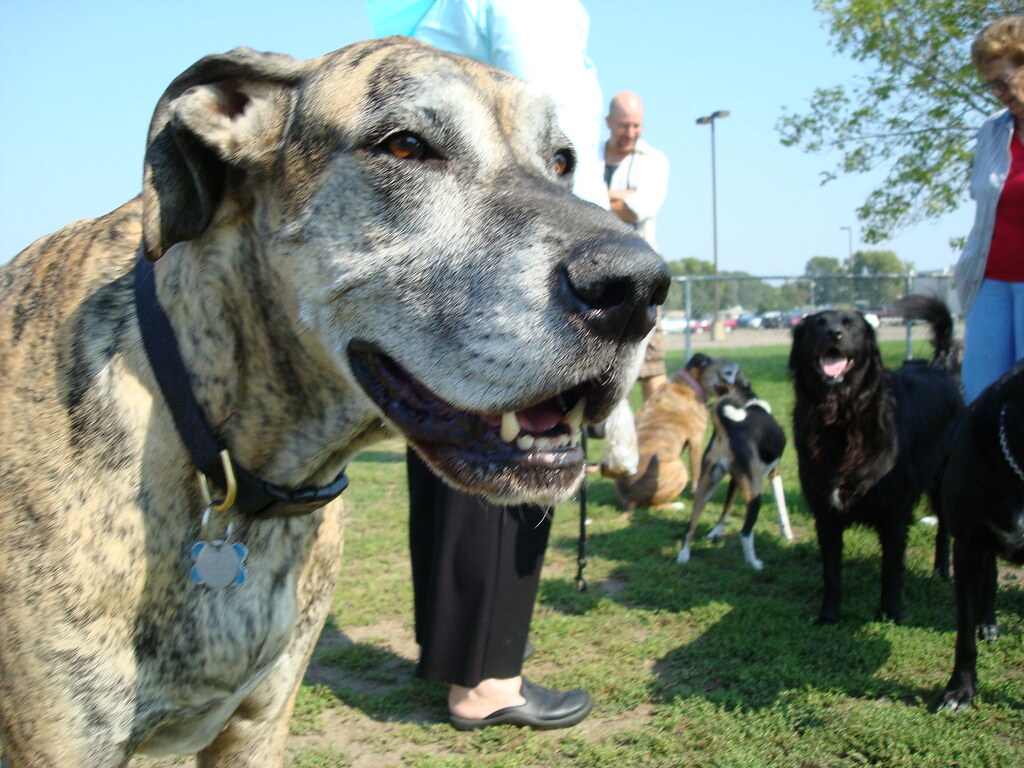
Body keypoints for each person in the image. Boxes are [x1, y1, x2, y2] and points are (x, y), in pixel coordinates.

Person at [365, 0, 603, 730]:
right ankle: (489, 681)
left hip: (461, 258)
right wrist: (588, 240)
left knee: (452, 457)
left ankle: (451, 655)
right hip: (528, 260)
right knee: (517, 456)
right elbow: (537, 119)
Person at [954, 15, 1024, 403]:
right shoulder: (991, 132)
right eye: (990, 84)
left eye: (1005, 81)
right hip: (989, 284)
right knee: (981, 401)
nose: (997, 92)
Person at [603, 91, 670, 400]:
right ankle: (619, 444)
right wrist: (623, 194)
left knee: (651, 366)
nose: (630, 133)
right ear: (608, 123)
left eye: (636, 126)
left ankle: (654, 442)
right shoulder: (588, 156)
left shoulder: (654, 161)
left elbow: (640, 208)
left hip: (640, 277)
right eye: (624, 125)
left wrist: (601, 197)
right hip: (599, 277)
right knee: (604, 369)